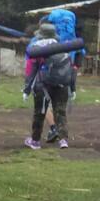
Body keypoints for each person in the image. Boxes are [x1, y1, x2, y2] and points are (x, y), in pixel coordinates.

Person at [24, 21, 71, 150]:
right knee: (60, 112)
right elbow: (70, 68)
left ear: (41, 34)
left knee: (40, 112)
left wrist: (27, 88)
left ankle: (35, 141)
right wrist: (72, 87)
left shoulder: (36, 48)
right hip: (62, 84)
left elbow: (30, 70)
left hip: (43, 84)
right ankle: (63, 140)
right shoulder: (61, 47)